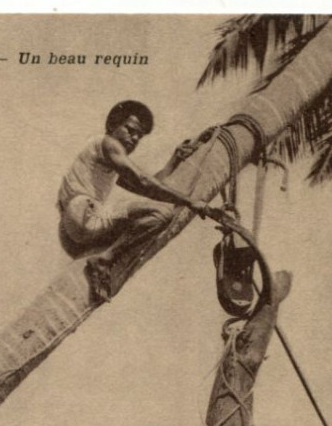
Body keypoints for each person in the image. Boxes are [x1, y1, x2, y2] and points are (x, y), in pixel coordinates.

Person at [57, 100, 218, 302]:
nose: (134, 138)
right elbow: (144, 181)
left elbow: (148, 187)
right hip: (83, 213)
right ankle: (104, 261)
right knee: (161, 214)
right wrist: (189, 201)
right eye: (130, 130)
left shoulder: (108, 159)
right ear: (112, 126)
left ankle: (103, 260)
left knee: (145, 213)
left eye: (139, 136)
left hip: (71, 232)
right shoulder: (109, 144)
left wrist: (174, 160)